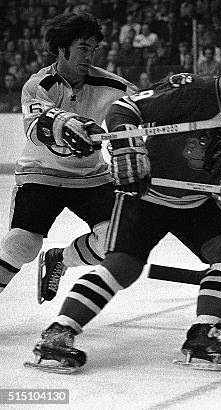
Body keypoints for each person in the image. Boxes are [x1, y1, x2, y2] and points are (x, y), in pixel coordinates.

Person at [28, 38, 221, 372]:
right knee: (123, 266)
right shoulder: (191, 90)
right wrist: (128, 144)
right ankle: (57, 335)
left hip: (196, 201)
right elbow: (124, 109)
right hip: (147, 194)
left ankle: (203, 335)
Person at [0, 13, 137, 299]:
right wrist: (70, 125)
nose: (89, 56)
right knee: (20, 245)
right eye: (82, 49)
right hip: (41, 175)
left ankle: (60, 259)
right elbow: (36, 128)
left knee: (115, 241)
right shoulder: (39, 84)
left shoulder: (115, 86)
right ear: (62, 49)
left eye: (93, 49)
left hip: (91, 177)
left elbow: (144, 106)